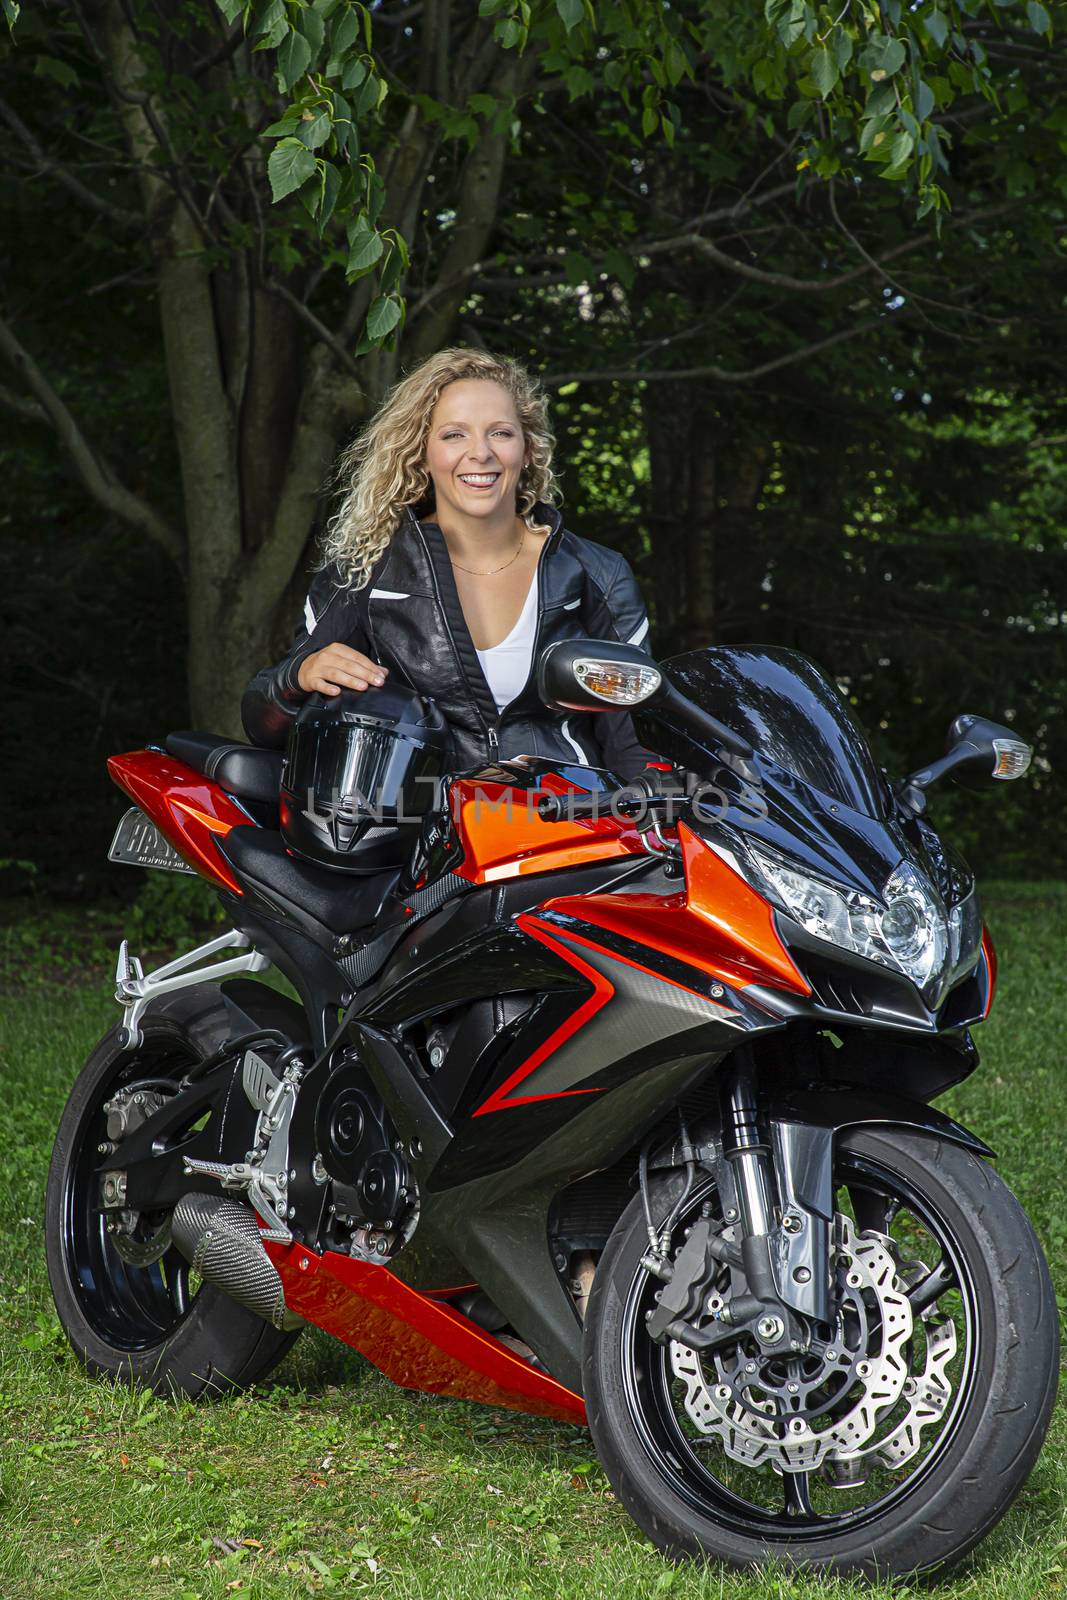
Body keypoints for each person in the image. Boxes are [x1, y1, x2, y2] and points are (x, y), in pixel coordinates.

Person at [241, 347, 659, 778]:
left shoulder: (598, 573)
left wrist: (649, 821)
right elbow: (263, 725)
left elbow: (635, 742)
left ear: (529, 448)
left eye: (500, 433)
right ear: (421, 453)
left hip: (566, 824)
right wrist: (297, 676)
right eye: (454, 434)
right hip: (425, 831)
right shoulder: (368, 570)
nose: (480, 453)